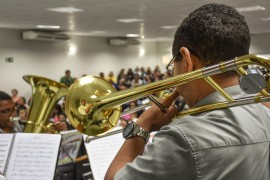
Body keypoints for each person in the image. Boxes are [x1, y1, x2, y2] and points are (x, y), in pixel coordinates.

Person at [105, 3, 270, 180]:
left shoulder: (182, 138)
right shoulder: (265, 113)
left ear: (186, 60)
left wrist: (141, 127)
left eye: (172, 65)